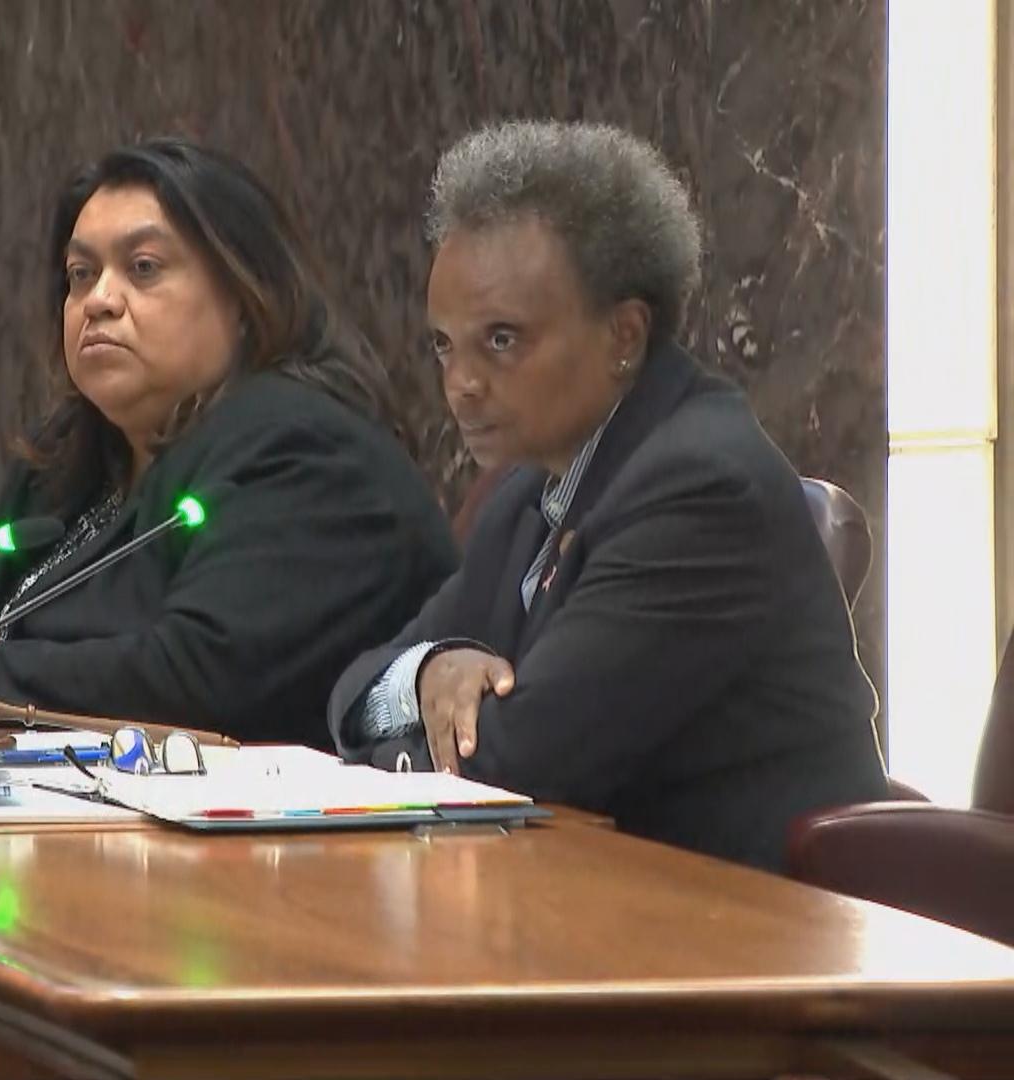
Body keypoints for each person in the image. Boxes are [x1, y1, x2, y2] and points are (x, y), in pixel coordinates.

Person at [328, 120, 887, 870]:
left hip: (748, 943)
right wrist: (428, 673)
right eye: (443, 344)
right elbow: (351, 690)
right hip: (595, 911)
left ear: (624, 334)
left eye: (501, 340)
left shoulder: (702, 489)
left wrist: (418, 730)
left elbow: (515, 765)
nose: (460, 383)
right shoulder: (528, 491)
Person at [0, 137, 457, 749]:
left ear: (241, 295)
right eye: (81, 274)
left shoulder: (305, 450)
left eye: (143, 268)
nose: (98, 299)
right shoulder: (78, 456)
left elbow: (201, 677)